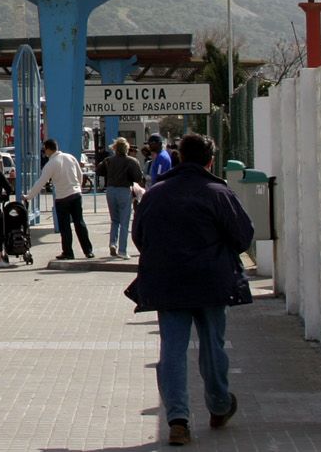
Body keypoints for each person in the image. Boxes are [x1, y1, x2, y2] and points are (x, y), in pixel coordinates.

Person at [131, 132, 254, 447]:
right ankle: (219, 405)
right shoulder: (218, 192)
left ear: (180, 157)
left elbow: (139, 237)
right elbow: (243, 236)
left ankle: (178, 421)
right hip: (212, 283)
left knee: (172, 350)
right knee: (213, 347)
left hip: (166, 284)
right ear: (211, 160)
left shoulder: (155, 194)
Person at [24, 138, 94, 260]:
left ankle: (68, 252)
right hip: (76, 194)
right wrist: (78, 187)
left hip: (62, 198)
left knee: (65, 226)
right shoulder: (70, 157)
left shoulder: (51, 164)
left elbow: (41, 182)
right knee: (80, 223)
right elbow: (80, 174)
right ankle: (88, 251)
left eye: (44, 149)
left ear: (48, 149)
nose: (44, 152)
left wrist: (28, 196)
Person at [102, 137, 144, 258]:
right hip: (124, 190)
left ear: (115, 148)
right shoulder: (131, 161)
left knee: (114, 220)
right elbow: (138, 178)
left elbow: (100, 170)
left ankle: (112, 243)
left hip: (110, 190)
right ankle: (122, 250)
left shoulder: (108, 160)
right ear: (126, 148)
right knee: (124, 222)